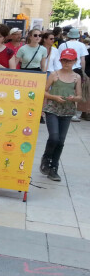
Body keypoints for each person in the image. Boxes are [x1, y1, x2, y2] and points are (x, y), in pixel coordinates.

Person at [39, 48, 82, 181]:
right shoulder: (54, 74)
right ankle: (46, 158)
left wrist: (74, 98)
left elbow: (79, 96)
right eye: (64, 60)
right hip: (52, 109)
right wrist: (54, 97)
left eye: (69, 60)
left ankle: (54, 168)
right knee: (54, 137)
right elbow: (43, 91)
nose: (66, 63)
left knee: (61, 141)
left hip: (67, 111)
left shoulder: (76, 77)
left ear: (75, 61)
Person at [58, 28, 88, 121]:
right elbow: (83, 60)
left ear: (69, 35)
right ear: (78, 36)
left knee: (62, 88)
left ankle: (61, 109)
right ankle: (73, 113)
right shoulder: (82, 45)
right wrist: (83, 71)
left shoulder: (63, 45)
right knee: (76, 91)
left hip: (64, 68)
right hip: (76, 69)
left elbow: (60, 58)